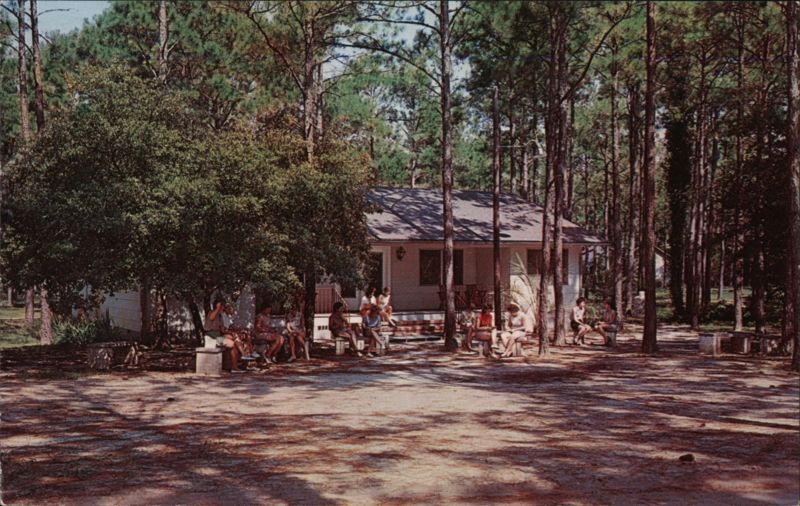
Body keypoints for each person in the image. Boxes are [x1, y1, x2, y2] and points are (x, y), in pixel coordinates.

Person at [206, 298, 243, 372]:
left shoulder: (220, 316)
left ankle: (235, 365)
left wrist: (230, 333)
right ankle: (235, 365)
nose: (223, 307)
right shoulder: (212, 313)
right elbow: (212, 317)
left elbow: (222, 330)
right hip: (211, 337)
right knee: (232, 344)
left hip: (218, 335)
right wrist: (218, 308)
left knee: (235, 341)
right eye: (221, 306)